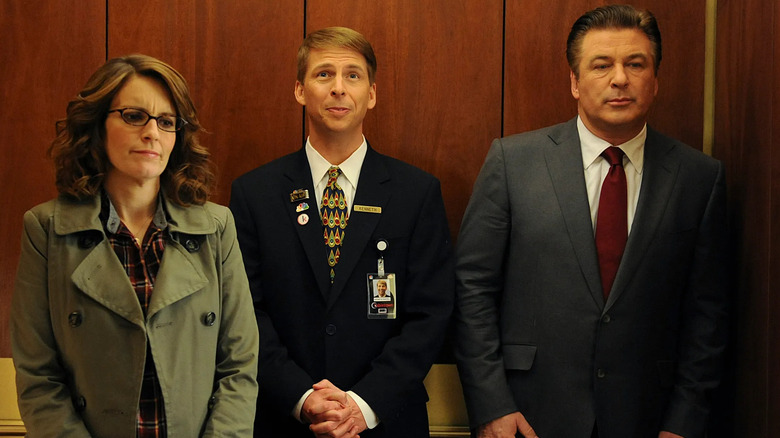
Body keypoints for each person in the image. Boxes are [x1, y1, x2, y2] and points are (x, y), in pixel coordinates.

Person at [454, 5, 728, 438]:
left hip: (648, 416)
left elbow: (707, 314)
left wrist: (684, 422)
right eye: (602, 65)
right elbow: (472, 288)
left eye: (635, 64)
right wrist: (491, 406)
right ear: (575, 82)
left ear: (655, 81)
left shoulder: (699, 177)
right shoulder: (513, 162)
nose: (620, 78)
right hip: (528, 415)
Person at [10, 54, 259, 438]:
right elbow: (38, 376)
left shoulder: (216, 227)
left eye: (166, 121)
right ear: (97, 125)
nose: (152, 133)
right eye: (133, 116)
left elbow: (239, 367)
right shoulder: (46, 229)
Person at [230, 27, 454, 438]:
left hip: (387, 420)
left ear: (371, 94)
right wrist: (302, 397)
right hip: (283, 418)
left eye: (352, 75)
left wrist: (364, 405)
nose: (338, 88)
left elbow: (431, 314)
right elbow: (245, 311)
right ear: (300, 90)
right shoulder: (254, 193)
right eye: (323, 75)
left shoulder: (416, 192)